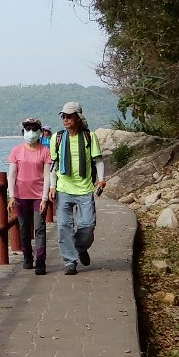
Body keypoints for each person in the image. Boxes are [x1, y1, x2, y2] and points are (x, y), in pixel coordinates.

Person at [48, 101, 107, 275]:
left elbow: (98, 160)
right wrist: (52, 186)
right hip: (64, 188)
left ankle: (80, 248)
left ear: (78, 117)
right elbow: (54, 164)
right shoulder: (57, 138)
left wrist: (101, 180)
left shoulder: (90, 136)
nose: (65, 119)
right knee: (63, 226)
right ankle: (70, 262)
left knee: (88, 226)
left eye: (69, 116)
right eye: (63, 116)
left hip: (85, 189)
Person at [7, 118, 51, 275]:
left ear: (40, 132)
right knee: (24, 227)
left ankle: (40, 261)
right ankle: (27, 257)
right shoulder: (16, 151)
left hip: (38, 196)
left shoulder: (45, 151)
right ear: (23, 132)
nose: (31, 132)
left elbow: (47, 176)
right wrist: (12, 195)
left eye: (34, 129)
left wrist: (45, 198)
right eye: (28, 129)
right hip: (21, 196)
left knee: (39, 227)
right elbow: (12, 175)